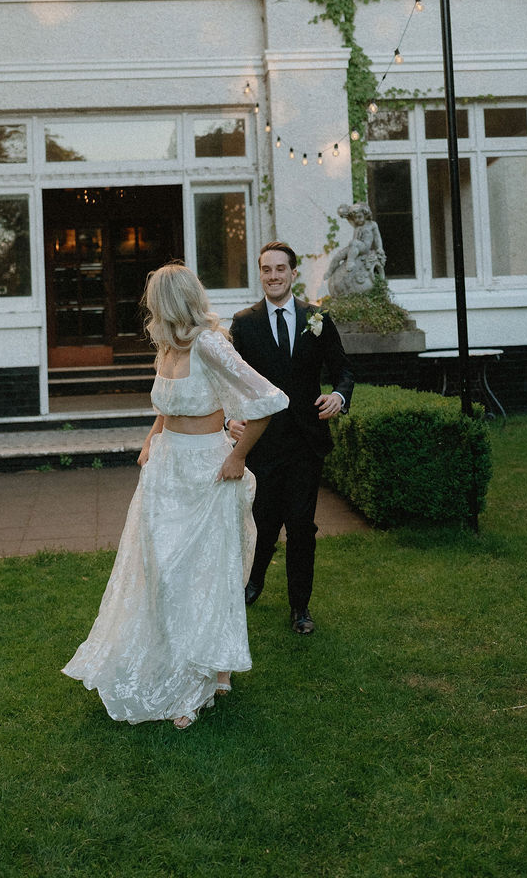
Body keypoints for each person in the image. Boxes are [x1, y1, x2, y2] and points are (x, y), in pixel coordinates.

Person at [63, 262, 288, 730]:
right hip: (166, 473)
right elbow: (166, 407)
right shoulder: (166, 346)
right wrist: (150, 441)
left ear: (173, 303)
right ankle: (180, 664)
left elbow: (267, 400)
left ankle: (201, 679)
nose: (149, 310)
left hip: (207, 473)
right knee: (161, 574)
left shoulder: (209, 344)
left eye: (155, 302)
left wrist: (238, 456)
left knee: (201, 576)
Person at [228, 241, 354, 636]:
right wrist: (229, 419)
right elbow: (228, 382)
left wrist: (338, 396)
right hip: (261, 442)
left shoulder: (317, 318)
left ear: (293, 273)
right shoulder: (243, 323)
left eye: (280, 269)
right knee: (262, 521)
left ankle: (300, 607)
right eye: (266, 269)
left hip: (304, 443)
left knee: (301, 526)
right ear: (260, 274)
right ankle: (253, 581)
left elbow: (344, 371)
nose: (273, 276)